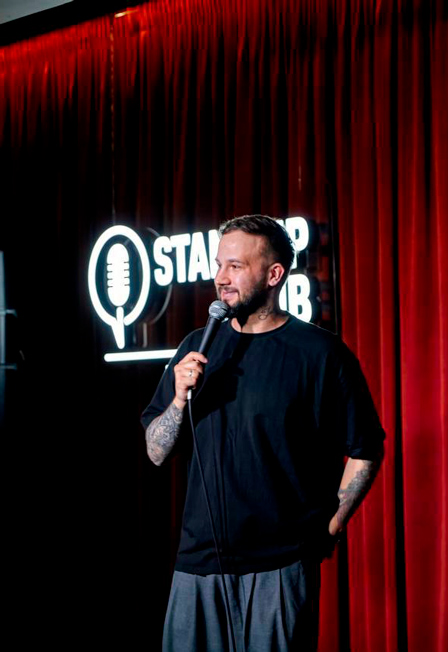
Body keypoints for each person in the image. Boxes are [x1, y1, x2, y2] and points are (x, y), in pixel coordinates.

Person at [141, 215, 385, 652]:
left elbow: (365, 448)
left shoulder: (320, 353)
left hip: (279, 567)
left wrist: (332, 525)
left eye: (235, 266)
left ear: (274, 275)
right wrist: (178, 400)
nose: (221, 278)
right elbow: (156, 452)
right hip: (197, 565)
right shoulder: (196, 346)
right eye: (219, 265)